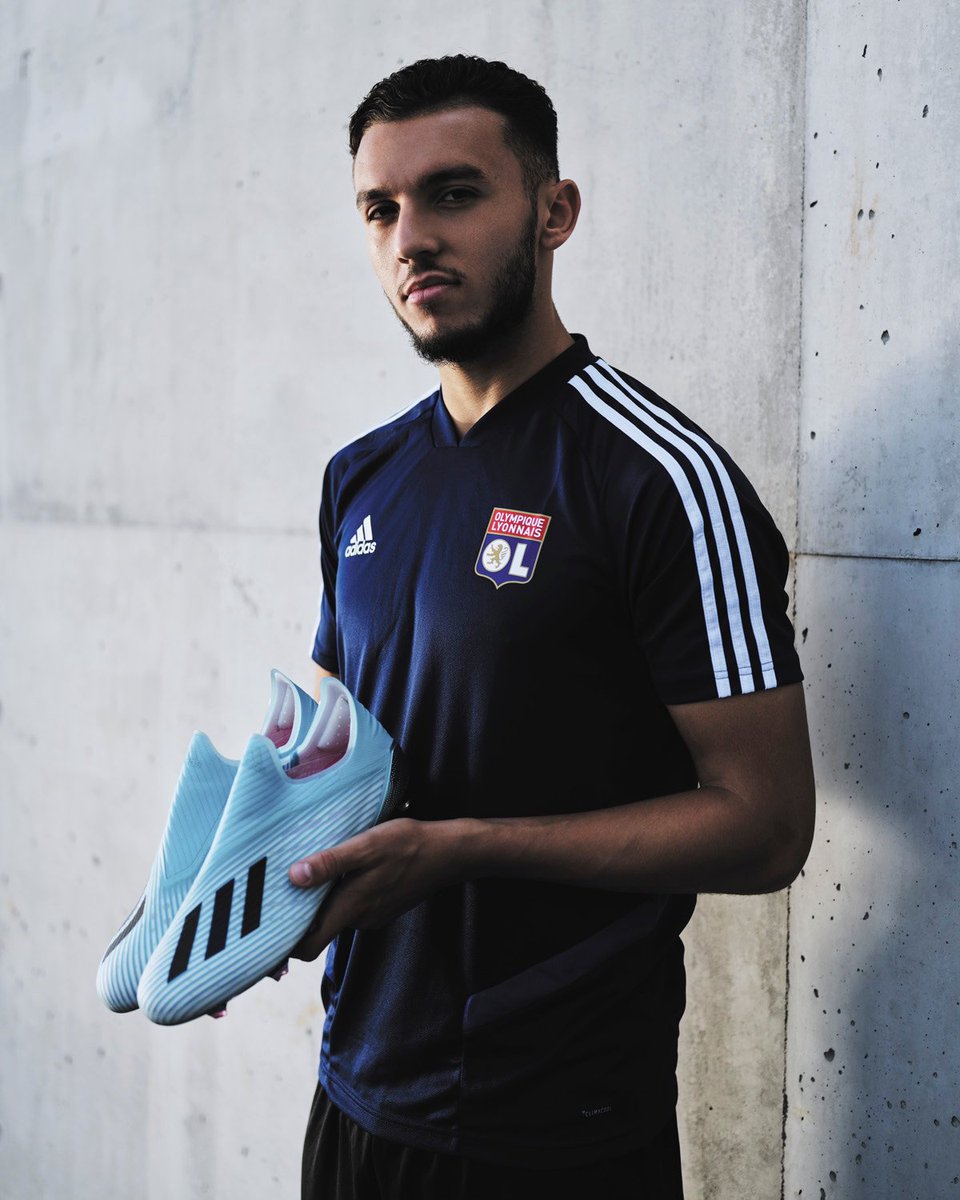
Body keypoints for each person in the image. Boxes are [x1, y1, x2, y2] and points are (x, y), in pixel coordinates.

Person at [288, 54, 815, 1200]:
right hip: (356, 1092)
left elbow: (769, 828)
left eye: (454, 193)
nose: (411, 238)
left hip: (557, 1130)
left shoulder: (661, 480)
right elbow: (332, 759)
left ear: (554, 210)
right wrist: (225, 889)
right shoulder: (360, 477)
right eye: (380, 208)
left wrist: (467, 847)